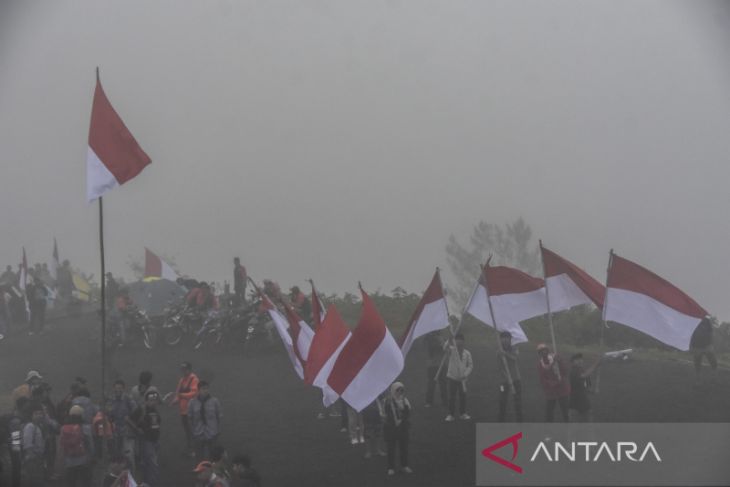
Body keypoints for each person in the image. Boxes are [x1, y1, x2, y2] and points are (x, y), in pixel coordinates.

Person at [129, 388, 162, 487]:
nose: (153, 402)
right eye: (151, 400)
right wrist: (137, 429)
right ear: (146, 400)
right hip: (146, 440)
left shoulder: (155, 410)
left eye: (155, 400)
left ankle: (146, 482)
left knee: (149, 462)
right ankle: (151, 483)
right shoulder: (141, 409)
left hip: (155, 440)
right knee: (152, 463)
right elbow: (129, 419)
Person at [60, 405, 94, 487]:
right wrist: (92, 456)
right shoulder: (85, 428)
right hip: (83, 460)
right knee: (85, 482)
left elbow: (62, 444)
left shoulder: (63, 428)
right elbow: (90, 444)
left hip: (69, 461)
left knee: (71, 483)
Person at [188, 380, 223, 460]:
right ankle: (200, 471)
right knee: (199, 457)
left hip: (212, 433)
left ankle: (213, 472)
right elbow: (190, 418)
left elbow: (219, 417)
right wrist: (193, 431)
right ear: (198, 390)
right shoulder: (192, 402)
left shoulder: (215, 402)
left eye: (207, 388)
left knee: (213, 456)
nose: (206, 390)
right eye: (203, 389)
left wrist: (218, 431)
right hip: (198, 433)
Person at [383, 382, 412, 476]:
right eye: (397, 390)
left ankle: (404, 465)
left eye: (401, 390)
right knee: (391, 448)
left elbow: (408, 412)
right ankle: (391, 467)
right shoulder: (387, 401)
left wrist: (402, 419)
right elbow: (384, 414)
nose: (399, 392)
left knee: (404, 447)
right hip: (391, 428)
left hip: (403, 428)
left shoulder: (405, 400)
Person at [537, 343, 571, 422]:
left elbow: (565, 372)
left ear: (548, 350)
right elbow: (542, 379)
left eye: (544, 350)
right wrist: (552, 384)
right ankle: (550, 430)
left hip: (562, 389)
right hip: (551, 391)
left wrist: (560, 362)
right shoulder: (539, 364)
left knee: (565, 411)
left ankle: (568, 429)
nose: (543, 352)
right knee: (549, 413)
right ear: (539, 354)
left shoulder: (557, 358)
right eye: (541, 351)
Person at [171, 361, 199, 455]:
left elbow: (194, 393)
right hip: (183, 411)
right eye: (182, 369)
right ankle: (190, 448)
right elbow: (177, 394)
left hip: (192, 411)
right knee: (187, 431)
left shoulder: (194, 379)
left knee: (193, 430)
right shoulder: (182, 380)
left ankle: (195, 449)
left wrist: (181, 395)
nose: (183, 371)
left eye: (185, 369)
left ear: (190, 369)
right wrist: (174, 401)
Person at [108, 379, 137, 468]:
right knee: (118, 455)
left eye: (120, 388)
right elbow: (110, 415)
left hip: (127, 432)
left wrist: (130, 420)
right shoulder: (112, 400)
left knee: (128, 455)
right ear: (113, 389)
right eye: (116, 388)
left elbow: (136, 412)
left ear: (124, 389)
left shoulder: (128, 399)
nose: (118, 390)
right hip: (116, 432)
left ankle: (131, 475)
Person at [445, 333, 473, 421]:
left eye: (461, 340)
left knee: (463, 396)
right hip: (452, 377)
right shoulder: (451, 350)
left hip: (463, 379)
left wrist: (465, 374)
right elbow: (445, 348)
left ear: (463, 342)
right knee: (452, 397)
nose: (459, 342)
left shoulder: (467, 353)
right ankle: (450, 415)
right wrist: (449, 340)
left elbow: (470, 365)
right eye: (457, 340)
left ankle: (463, 413)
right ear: (455, 342)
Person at [497, 331, 523, 422]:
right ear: (500, 339)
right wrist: (505, 377)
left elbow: (515, 358)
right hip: (503, 381)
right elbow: (500, 366)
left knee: (518, 402)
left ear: (510, 339)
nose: (505, 340)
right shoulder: (499, 350)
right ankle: (500, 422)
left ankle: (520, 422)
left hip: (516, 379)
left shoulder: (514, 348)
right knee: (502, 400)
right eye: (503, 338)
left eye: (507, 338)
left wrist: (505, 354)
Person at [569, 353, 602, 422]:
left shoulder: (583, 371)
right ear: (572, 363)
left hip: (585, 404)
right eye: (577, 360)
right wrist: (596, 364)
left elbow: (586, 388)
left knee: (588, 426)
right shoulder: (573, 372)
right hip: (575, 405)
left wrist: (593, 391)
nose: (580, 361)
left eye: (580, 359)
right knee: (573, 428)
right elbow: (584, 376)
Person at [22, 402, 47, 487]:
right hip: (33, 460)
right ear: (31, 415)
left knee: (38, 480)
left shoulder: (39, 426)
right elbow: (27, 444)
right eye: (36, 414)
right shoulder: (30, 426)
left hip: (39, 458)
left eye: (40, 413)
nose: (39, 416)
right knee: (34, 480)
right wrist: (33, 457)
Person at [691, 316, 718, 385]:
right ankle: (698, 381)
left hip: (707, 345)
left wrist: (711, 343)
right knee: (697, 364)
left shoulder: (707, 320)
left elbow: (711, 332)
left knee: (713, 362)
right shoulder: (692, 318)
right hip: (696, 346)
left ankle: (714, 377)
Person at [424, 330, 448, 408]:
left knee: (443, 383)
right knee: (431, 383)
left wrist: (444, 344)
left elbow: (445, 349)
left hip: (442, 364)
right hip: (432, 365)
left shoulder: (441, 337)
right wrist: (438, 342)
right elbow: (430, 351)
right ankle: (429, 402)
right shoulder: (429, 338)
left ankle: (445, 401)